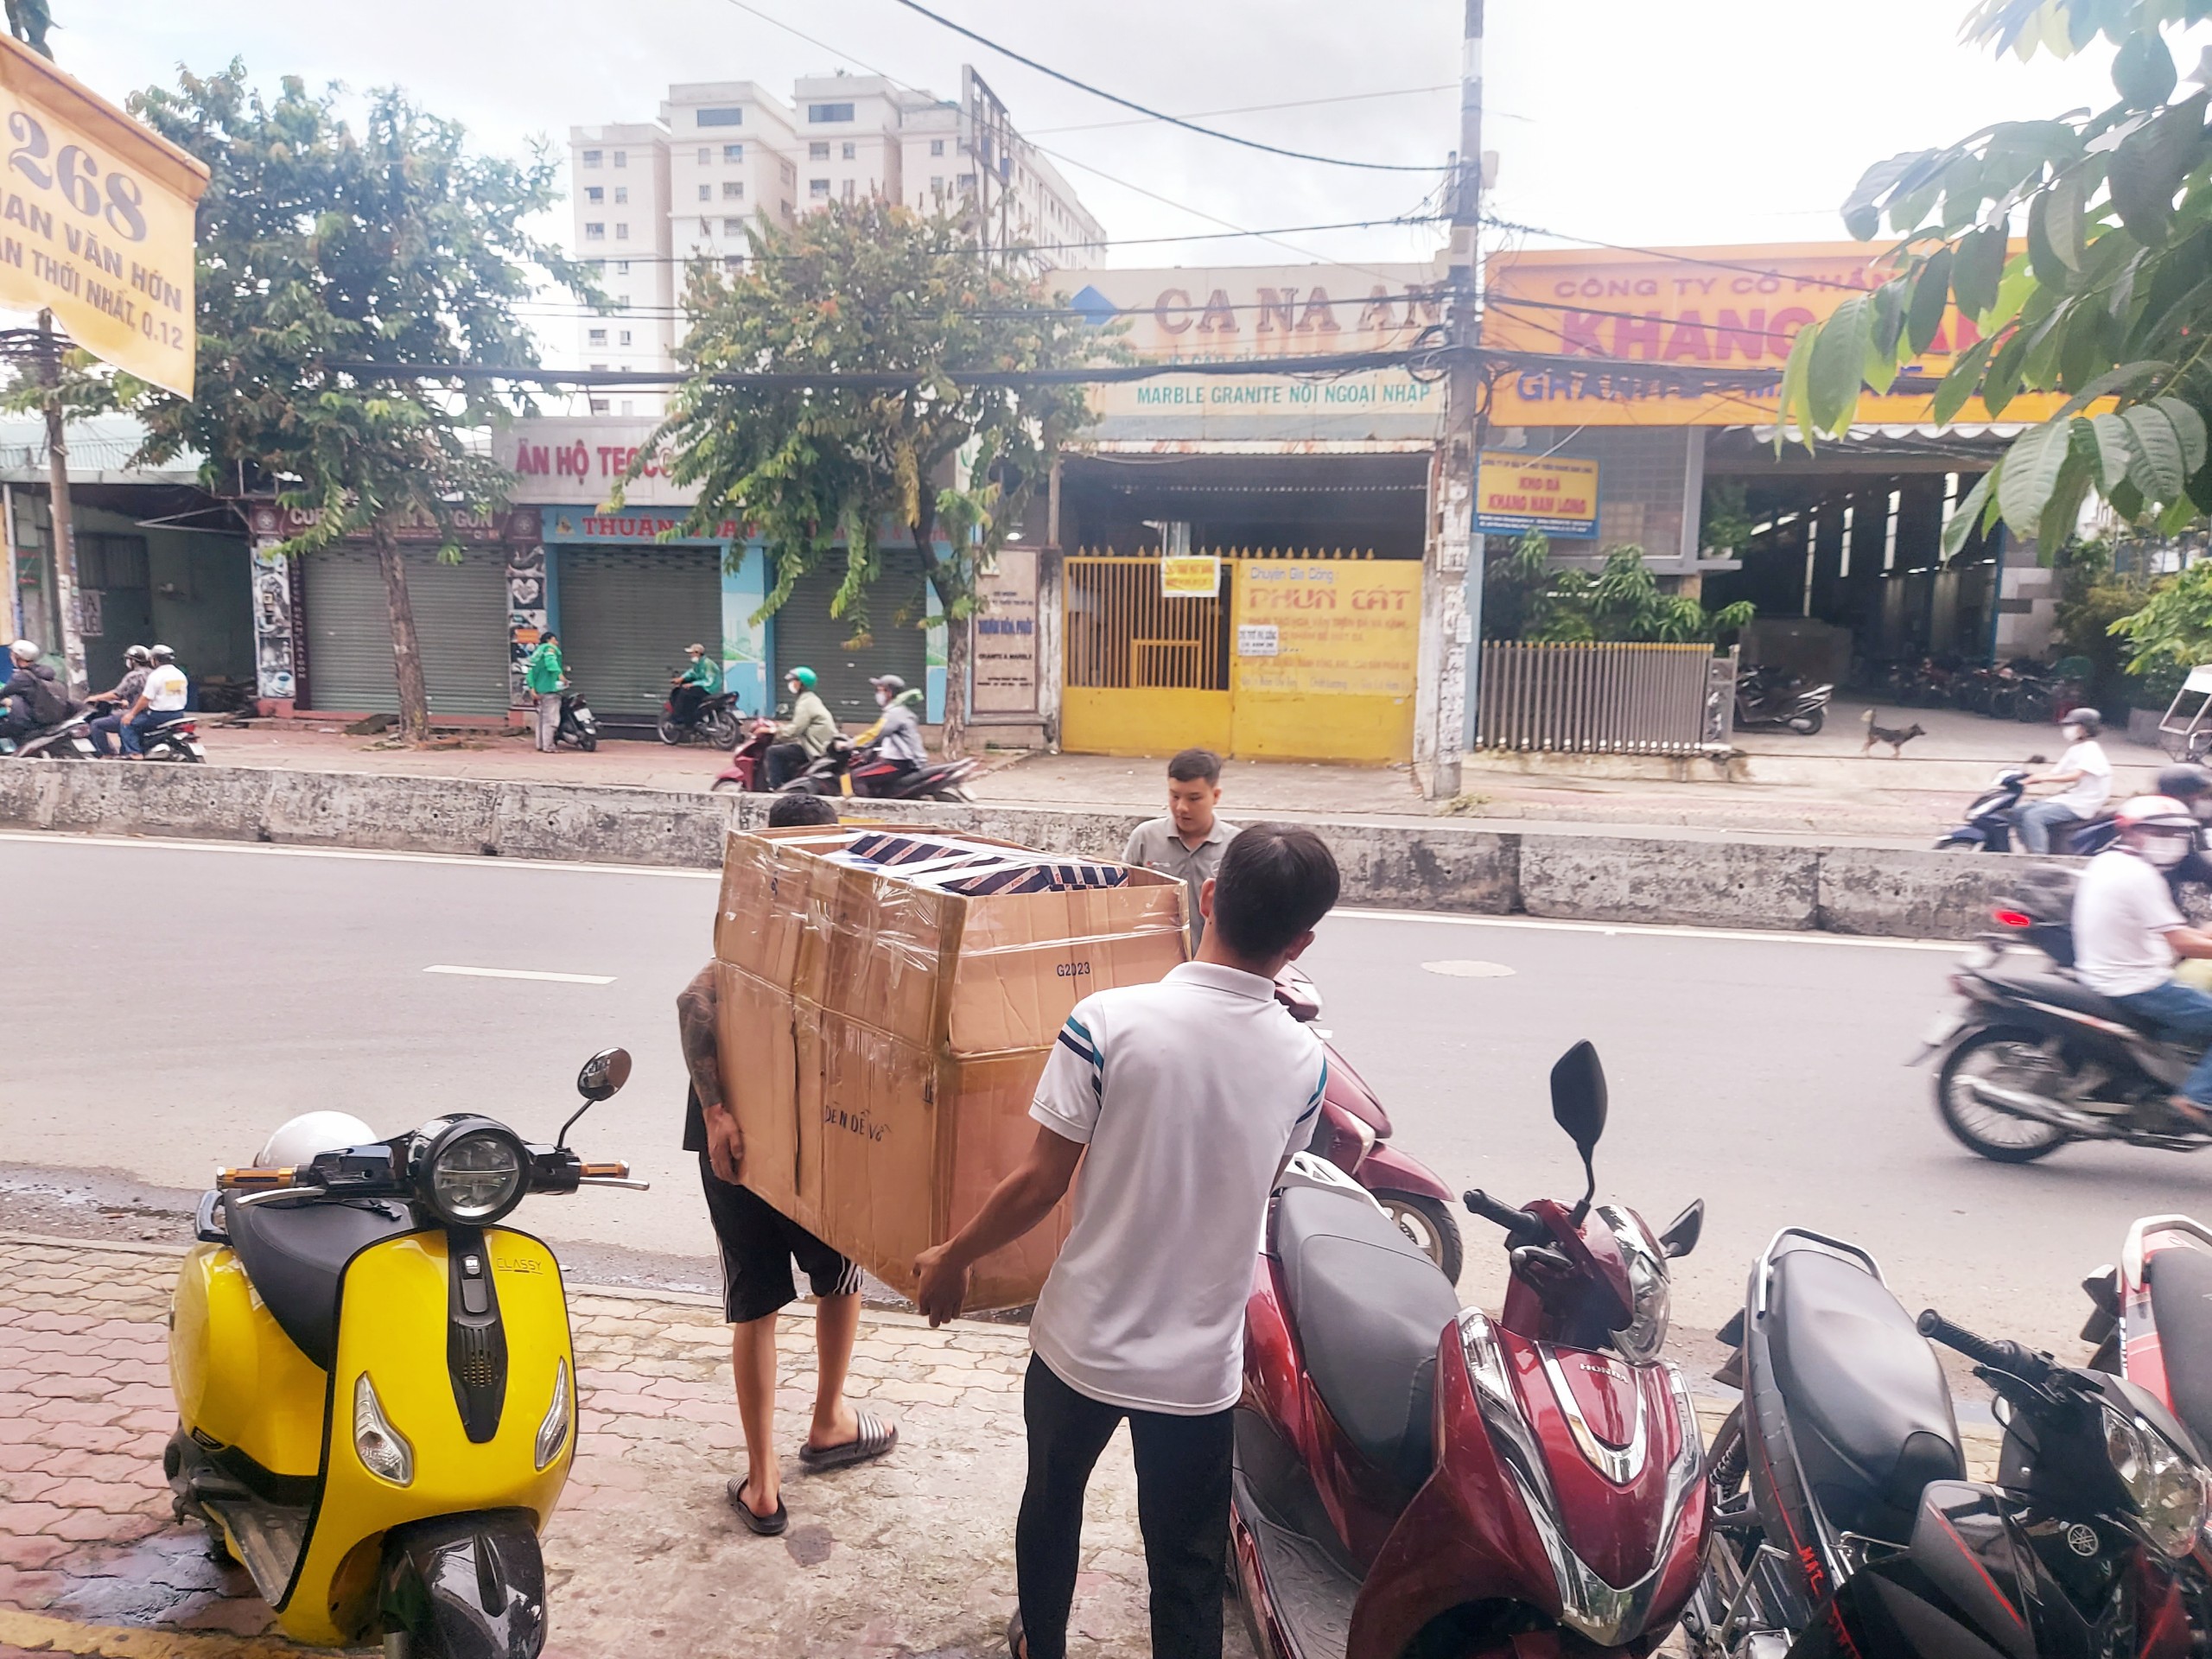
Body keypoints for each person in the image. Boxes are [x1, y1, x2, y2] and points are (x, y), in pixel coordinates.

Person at [914, 824, 1342, 1659]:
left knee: (1052, 1505)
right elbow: (1257, 1176)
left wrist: (952, 1258)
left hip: (1082, 1342)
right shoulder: (1305, 1065)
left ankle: (1043, 1642)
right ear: (1301, 942)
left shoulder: (1106, 1023)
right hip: (1197, 1370)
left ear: (1208, 897)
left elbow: (1040, 1184)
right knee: (1184, 1566)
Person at [677, 790, 897, 1538]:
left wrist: (716, 1111)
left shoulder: (751, 919)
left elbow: (695, 1000)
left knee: (757, 1301)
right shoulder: (850, 931)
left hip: (735, 1137)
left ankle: (764, 1484)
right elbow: (693, 1001)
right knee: (836, 1279)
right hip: (812, 1141)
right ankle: (829, 1420)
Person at [2071, 794, 2212, 1131]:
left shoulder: (2109, 862)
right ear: (2131, 832)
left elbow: (2178, 934)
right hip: (2137, 984)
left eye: (2175, 835)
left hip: (2113, 971)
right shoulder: (2139, 876)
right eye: (2157, 832)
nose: (2169, 842)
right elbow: (2182, 942)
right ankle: (2194, 1101)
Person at [1122, 749, 1238, 950]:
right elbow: (1121, 900)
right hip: (1152, 962)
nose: (1182, 808)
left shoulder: (1236, 846)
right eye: (1175, 796)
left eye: (1194, 799)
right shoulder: (1145, 838)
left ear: (1216, 795)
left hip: (1211, 967)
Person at [2017, 708, 2112, 854]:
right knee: (2017, 812)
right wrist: (2023, 778)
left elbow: (2076, 775)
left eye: (2073, 725)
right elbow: (2055, 772)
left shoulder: (2091, 749)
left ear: (2086, 728)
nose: (2068, 729)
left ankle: (2039, 857)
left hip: (2083, 803)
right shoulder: (2075, 750)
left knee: (2033, 817)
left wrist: (2043, 778)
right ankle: (2030, 849)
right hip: (2070, 798)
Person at [764, 666, 837, 790]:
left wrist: (773, 730)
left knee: (773, 752)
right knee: (787, 750)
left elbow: (795, 730)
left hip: (814, 748)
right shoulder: (811, 699)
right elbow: (800, 725)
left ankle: (775, 787)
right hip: (820, 744)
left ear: (802, 684)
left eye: (794, 681)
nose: (791, 684)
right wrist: (782, 727)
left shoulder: (805, 703)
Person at [116, 645, 188, 757]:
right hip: (179, 714)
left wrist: (131, 714)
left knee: (127, 724)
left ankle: (135, 753)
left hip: (158, 716)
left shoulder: (156, 675)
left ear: (155, 660)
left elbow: (145, 699)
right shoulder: (179, 674)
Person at [86, 645, 153, 757]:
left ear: (133, 661)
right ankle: (124, 752)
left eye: (128, 659)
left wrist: (95, 698)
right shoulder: (153, 674)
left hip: (137, 713)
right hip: (151, 713)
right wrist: (126, 701)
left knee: (96, 724)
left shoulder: (134, 676)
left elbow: (117, 694)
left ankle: (108, 754)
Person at [855, 674, 926, 778]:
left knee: (855, 777)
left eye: (880, 690)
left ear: (889, 693)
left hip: (898, 763)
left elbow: (875, 734)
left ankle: (858, 795)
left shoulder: (895, 713)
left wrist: (849, 744)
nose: (877, 694)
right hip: (898, 760)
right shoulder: (896, 711)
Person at [1, 639, 63, 748]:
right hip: (48, 721)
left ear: (17, 657)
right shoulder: (44, 673)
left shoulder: (21, 677)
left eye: (12, 654)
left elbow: (3, 693)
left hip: (28, 723)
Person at [524, 631, 565, 753]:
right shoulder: (549, 648)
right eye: (555, 640)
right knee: (551, 720)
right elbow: (551, 661)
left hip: (539, 690)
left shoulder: (536, 653)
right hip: (550, 689)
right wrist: (560, 675)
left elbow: (530, 672)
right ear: (549, 639)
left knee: (541, 719)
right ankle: (549, 746)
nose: (557, 643)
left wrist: (532, 688)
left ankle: (540, 744)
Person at [671, 643, 720, 728]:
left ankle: (679, 720)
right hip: (704, 687)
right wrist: (682, 678)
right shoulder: (699, 663)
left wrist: (693, 684)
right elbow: (693, 672)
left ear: (697, 653)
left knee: (684, 692)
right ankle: (694, 719)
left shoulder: (708, 664)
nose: (690, 655)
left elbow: (709, 681)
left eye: (692, 653)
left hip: (708, 689)